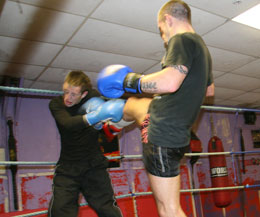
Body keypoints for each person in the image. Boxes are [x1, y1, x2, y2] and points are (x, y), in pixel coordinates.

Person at [95, 1, 215, 216]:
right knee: (135, 105)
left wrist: (130, 82)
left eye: (161, 31)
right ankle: (111, 128)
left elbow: (170, 83)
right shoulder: (203, 49)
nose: (163, 37)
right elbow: (209, 91)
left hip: (160, 133)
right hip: (176, 134)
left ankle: (111, 127)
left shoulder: (181, 39)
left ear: (168, 20)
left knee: (169, 209)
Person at [48, 70, 122, 217]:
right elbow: (68, 124)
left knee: (107, 210)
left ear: (83, 94)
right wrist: (96, 116)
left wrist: (110, 116)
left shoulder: (93, 97)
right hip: (68, 167)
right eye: (66, 91)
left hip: (94, 165)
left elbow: (113, 116)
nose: (68, 98)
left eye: (73, 94)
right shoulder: (56, 104)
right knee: (59, 210)